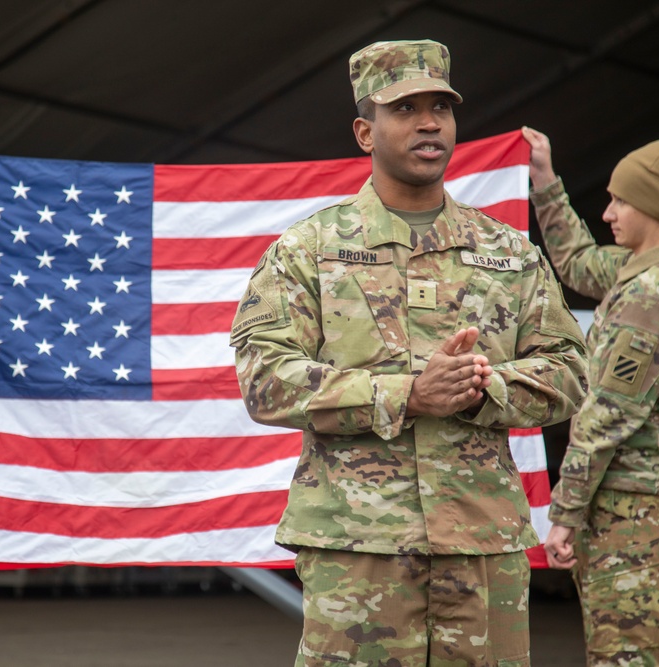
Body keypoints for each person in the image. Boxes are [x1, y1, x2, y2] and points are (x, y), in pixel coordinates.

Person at [231, 40, 589, 666]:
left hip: (480, 548)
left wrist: (485, 387)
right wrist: (407, 394)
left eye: (441, 109)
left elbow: (571, 369)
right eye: (406, 109)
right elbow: (265, 377)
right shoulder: (310, 249)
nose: (429, 123)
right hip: (358, 549)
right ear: (365, 132)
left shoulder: (509, 251)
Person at [523, 126, 659, 667]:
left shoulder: (652, 299)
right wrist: (545, 182)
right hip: (630, 510)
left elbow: (604, 418)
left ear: (654, 204)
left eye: (620, 199)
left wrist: (564, 515)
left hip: (630, 519)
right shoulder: (647, 269)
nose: (609, 212)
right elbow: (579, 262)